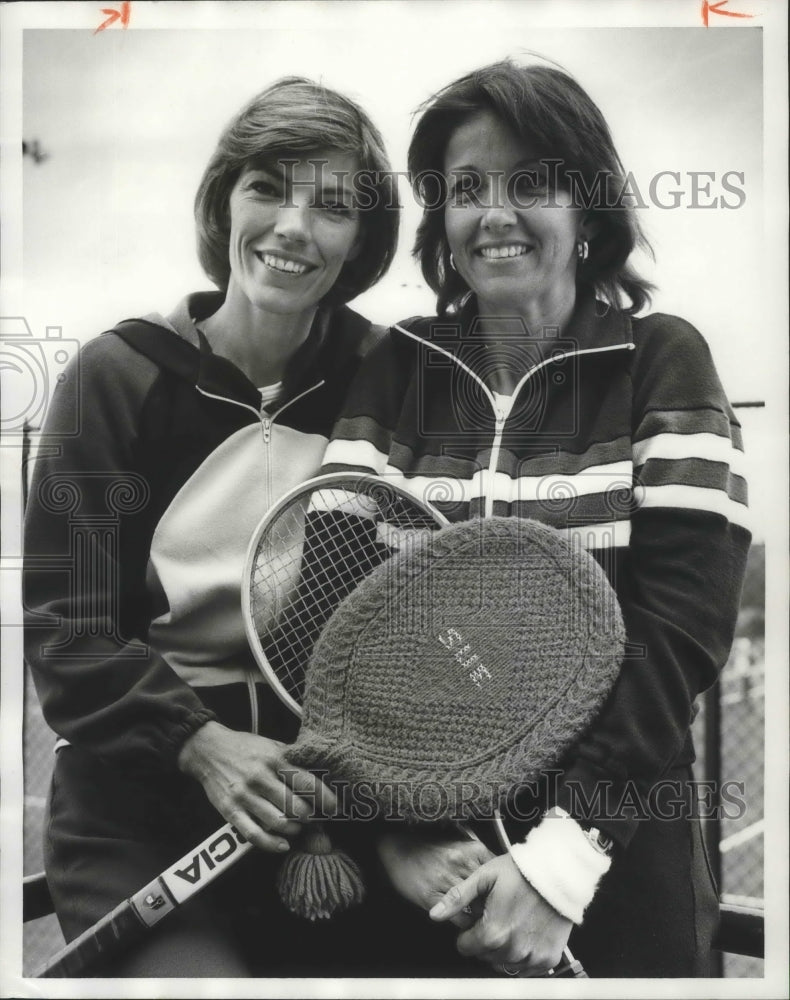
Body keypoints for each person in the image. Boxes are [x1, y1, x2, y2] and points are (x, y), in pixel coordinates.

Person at [322, 59, 752, 977]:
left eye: (533, 183)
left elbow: (680, 627)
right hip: (423, 868)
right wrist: (396, 836)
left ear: (589, 208)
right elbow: (324, 617)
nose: (496, 214)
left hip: (616, 857)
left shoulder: (662, 360)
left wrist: (563, 858)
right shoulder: (395, 370)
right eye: (467, 188)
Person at [23, 76, 402, 976]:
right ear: (222, 201)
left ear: (362, 239)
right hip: (140, 807)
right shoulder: (113, 378)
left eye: (334, 206)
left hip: (332, 810)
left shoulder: (392, 379)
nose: (294, 229)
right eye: (268, 188)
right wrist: (199, 742)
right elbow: (66, 628)